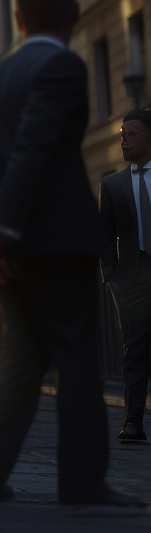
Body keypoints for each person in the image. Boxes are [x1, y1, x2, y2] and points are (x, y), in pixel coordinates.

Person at [0, 0, 137, 506]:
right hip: (54, 241)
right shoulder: (62, 65)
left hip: (9, 248)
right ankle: (81, 483)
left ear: (18, 18)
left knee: (22, 357)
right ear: (75, 14)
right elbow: (34, 147)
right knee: (77, 358)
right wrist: (1, 233)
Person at [100, 108, 151, 443]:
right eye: (122, 135)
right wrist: (112, 277)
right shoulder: (113, 183)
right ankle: (133, 423)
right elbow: (105, 236)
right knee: (135, 351)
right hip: (132, 279)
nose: (124, 141)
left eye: (131, 134)